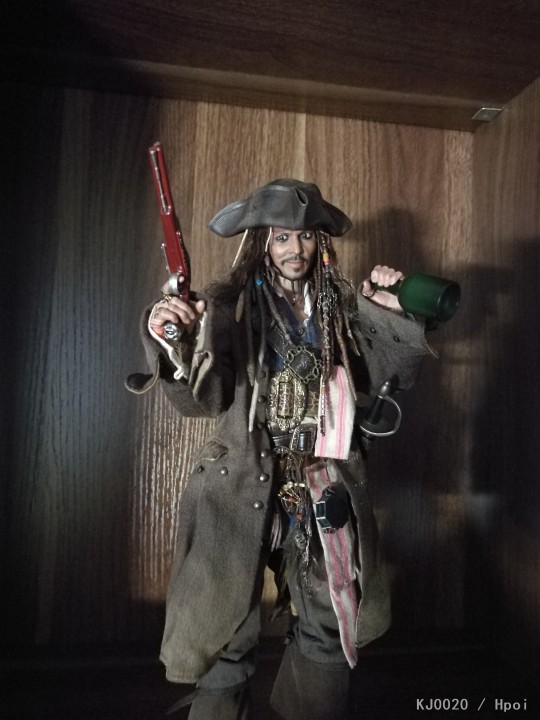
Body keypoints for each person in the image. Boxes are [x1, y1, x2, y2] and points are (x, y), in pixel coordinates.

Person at [127, 179, 433, 720]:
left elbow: (389, 376)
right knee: (224, 625)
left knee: (329, 614)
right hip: (242, 481)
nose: (296, 249)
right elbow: (203, 398)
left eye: (306, 236)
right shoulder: (228, 309)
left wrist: (390, 312)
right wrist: (173, 335)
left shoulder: (342, 306)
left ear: (320, 241)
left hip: (321, 480)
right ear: (262, 242)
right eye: (283, 237)